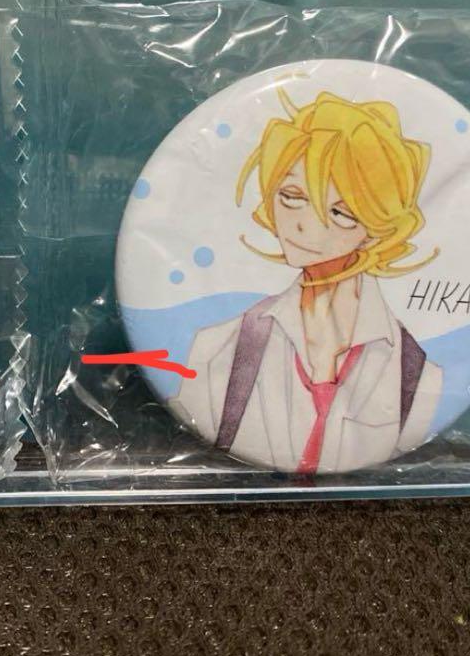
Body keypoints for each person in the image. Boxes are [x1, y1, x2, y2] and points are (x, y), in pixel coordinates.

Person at [172, 89, 442, 475]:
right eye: (291, 196)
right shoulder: (218, 349)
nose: (304, 225)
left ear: (377, 227)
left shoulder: (419, 377)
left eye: (341, 211)